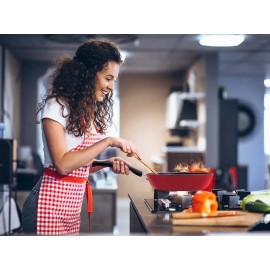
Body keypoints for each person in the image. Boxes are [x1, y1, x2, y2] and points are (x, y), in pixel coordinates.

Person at [21, 39, 140, 235]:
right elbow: (62, 164)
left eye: (114, 80)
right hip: (46, 206)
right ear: (88, 74)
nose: (111, 86)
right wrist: (109, 141)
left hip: (69, 209)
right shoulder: (57, 106)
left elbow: (78, 166)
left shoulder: (84, 111)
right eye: (107, 78)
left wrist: (106, 163)